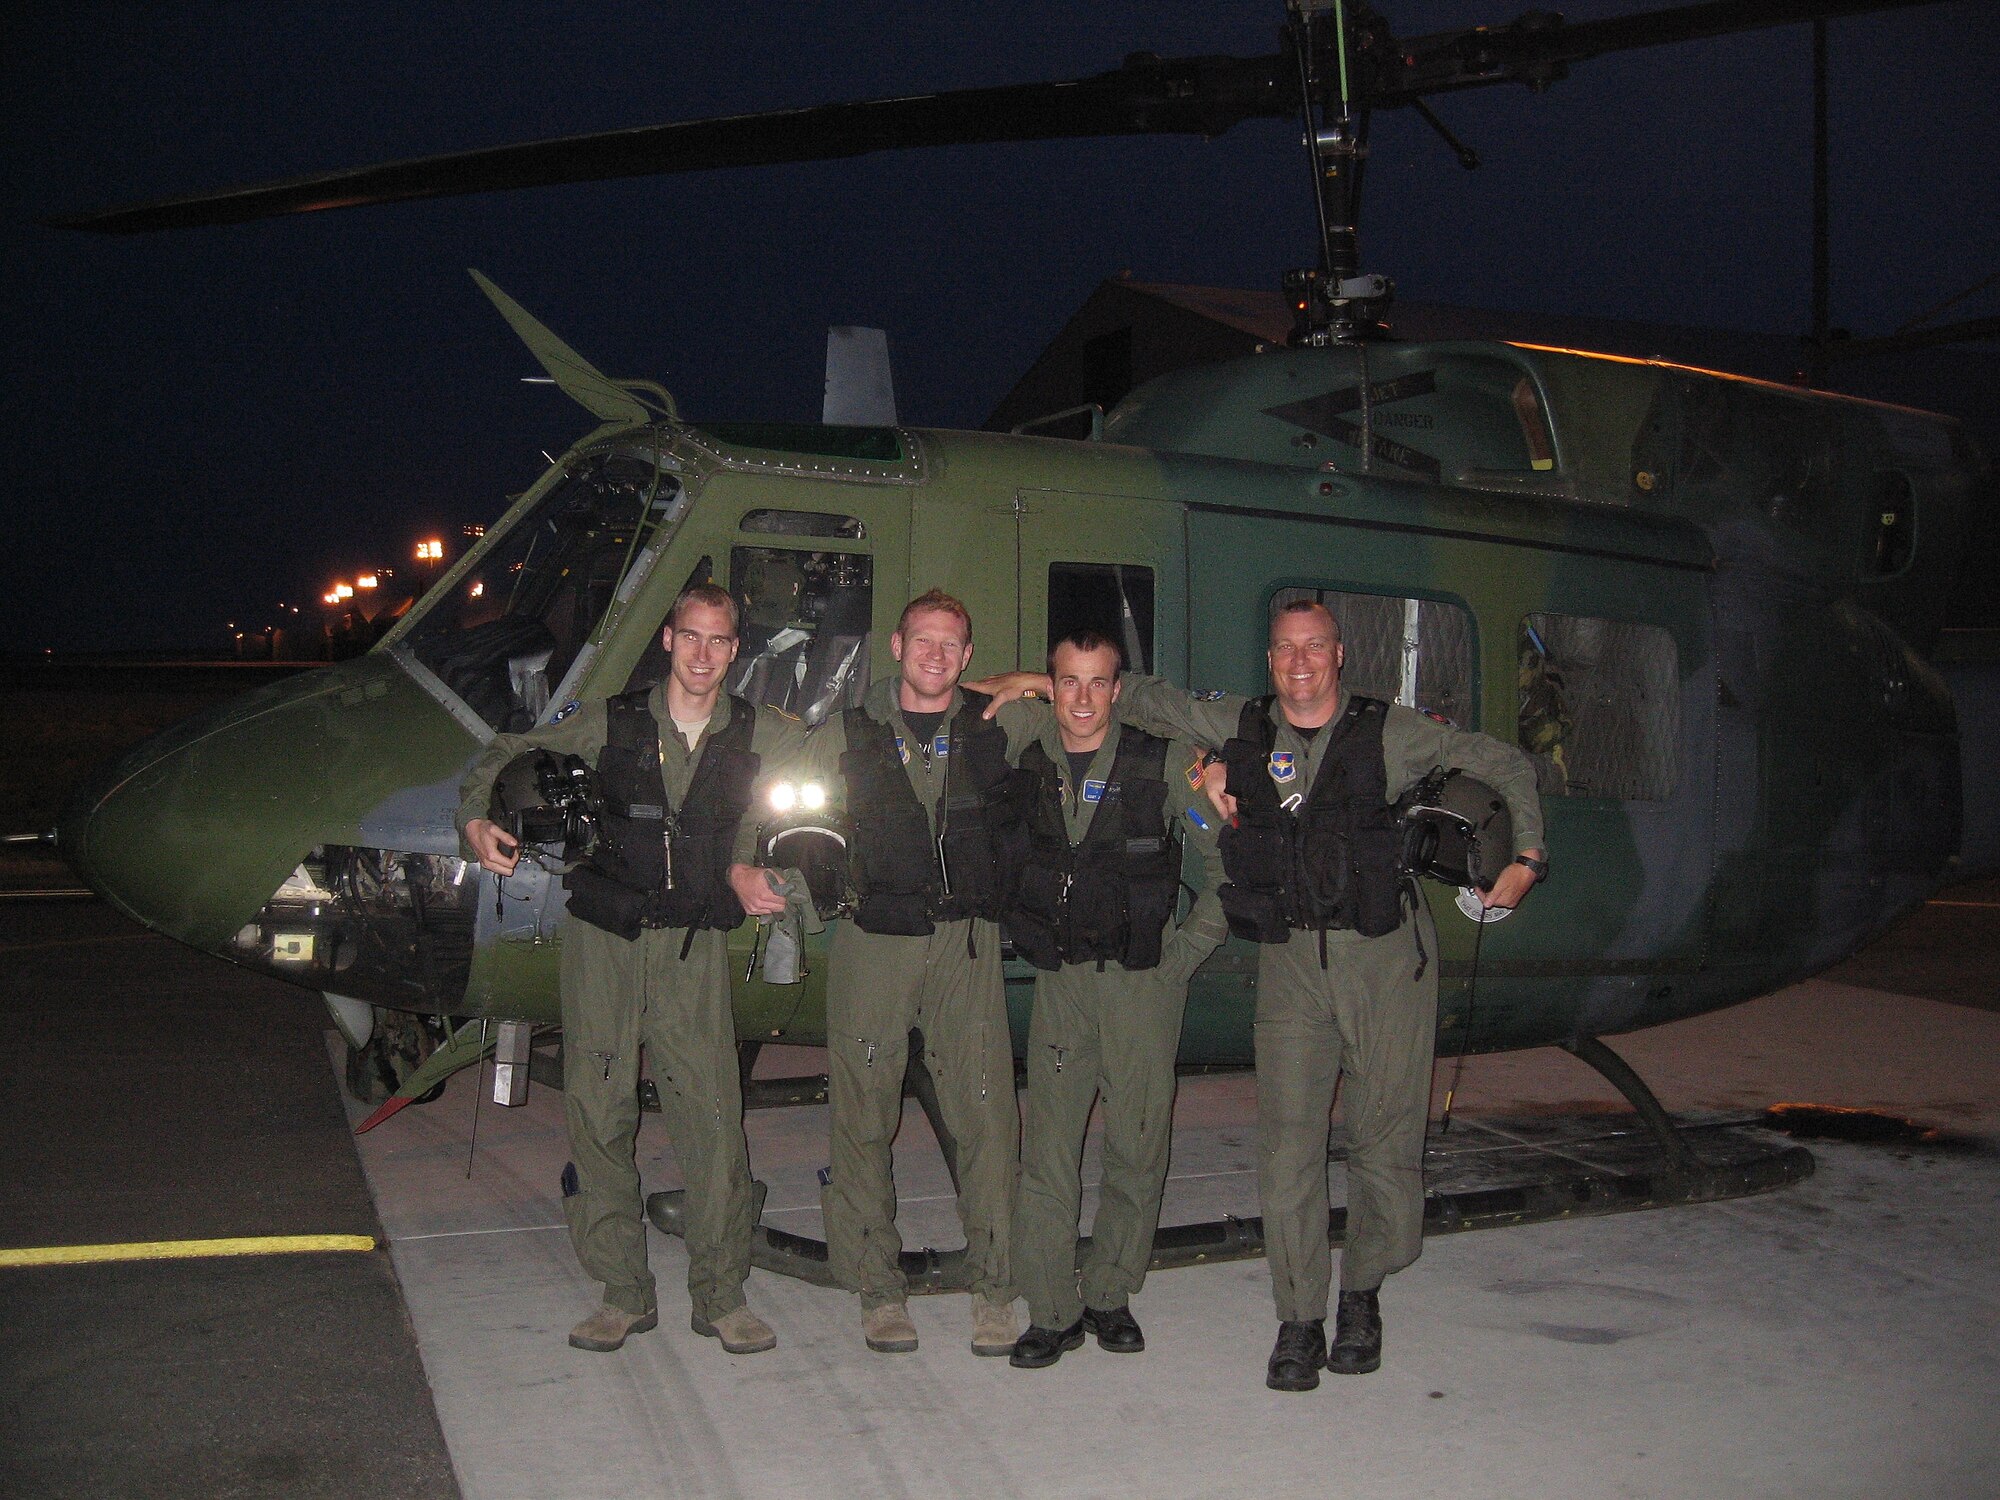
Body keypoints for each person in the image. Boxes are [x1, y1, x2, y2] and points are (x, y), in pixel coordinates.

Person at [973, 597, 1545, 1392]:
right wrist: (1044, 680)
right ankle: (1299, 1316)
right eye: (1284, 649)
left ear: (1339, 655)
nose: (1299, 663)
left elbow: (1506, 764)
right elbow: (1146, 698)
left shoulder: (1394, 730)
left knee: (1384, 1141)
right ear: (1269, 658)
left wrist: (1526, 856)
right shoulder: (1241, 727)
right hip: (1292, 965)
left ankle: (1364, 1295)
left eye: (1314, 648)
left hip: (1385, 963)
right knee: (1287, 1150)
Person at [458, 583, 803, 1358]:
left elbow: (824, 782)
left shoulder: (757, 733)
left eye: (719, 641)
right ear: (669, 640)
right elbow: (505, 752)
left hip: (691, 948)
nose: (704, 654)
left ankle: (721, 1295)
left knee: (712, 1118)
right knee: (599, 1108)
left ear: (735, 650)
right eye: (691, 638)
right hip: (605, 942)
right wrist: (475, 817)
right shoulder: (610, 721)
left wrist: (753, 863)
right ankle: (622, 1291)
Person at [797, 589, 1044, 1357]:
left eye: (952, 646)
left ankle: (996, 1287)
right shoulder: (845, 732)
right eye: (923, 642)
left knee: (987, 1116)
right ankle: (877, 1290)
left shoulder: (999, 723)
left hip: (966, 943)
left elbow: (1080, 691)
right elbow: (774, 810)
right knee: (864, 1115)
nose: (936, 656)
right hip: (876, 941)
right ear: (897, 647)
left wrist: (1011, 683)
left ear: (968, 658)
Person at [1002, 631, 1227, 1369]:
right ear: (1051, 687)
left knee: (1136, 1145)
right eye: (1068, 682)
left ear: (1117, 687)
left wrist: (1180, 960)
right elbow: (945, 698)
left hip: (1141, 986)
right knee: (1049, 1154)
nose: (1083, 699)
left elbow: (1227, 870)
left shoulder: (1161, 763)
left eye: (1099, 683)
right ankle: (1050, 1308)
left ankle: (1109, 1291)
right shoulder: (1030, 744)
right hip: (1064, 983)